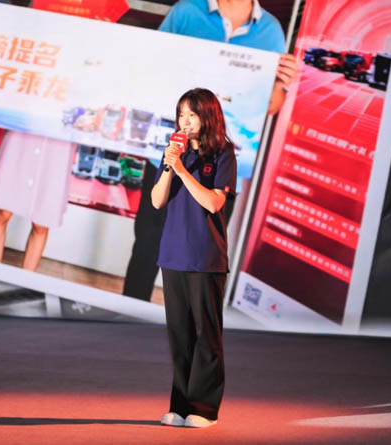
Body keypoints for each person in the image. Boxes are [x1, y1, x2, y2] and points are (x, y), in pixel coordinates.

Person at [122, 0, 297, 301]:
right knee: (149, 244)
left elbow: (270, 106)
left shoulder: (270, 31)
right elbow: (151, 67)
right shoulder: (187, 12)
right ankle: (127, 317)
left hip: (221, 165)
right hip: (172, 154)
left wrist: (281, 84)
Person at [154, 88, 236, 428]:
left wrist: (184, 171)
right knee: (180, 335)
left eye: (192, 115)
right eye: (181, 115)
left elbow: (214, 203)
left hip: (205, 256)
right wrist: (170, 166)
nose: (184, 122)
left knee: (206, 335)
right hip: (173, 254)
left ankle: (204, 409)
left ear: (207, 116)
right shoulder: (175, 151)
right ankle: (180, 405)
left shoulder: (223, 153)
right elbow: (157, 200)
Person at [0, 131, 76, 271]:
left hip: (58, 143)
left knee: (41, 224)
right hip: (24, 133)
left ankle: (24, 280)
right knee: (2, 212)